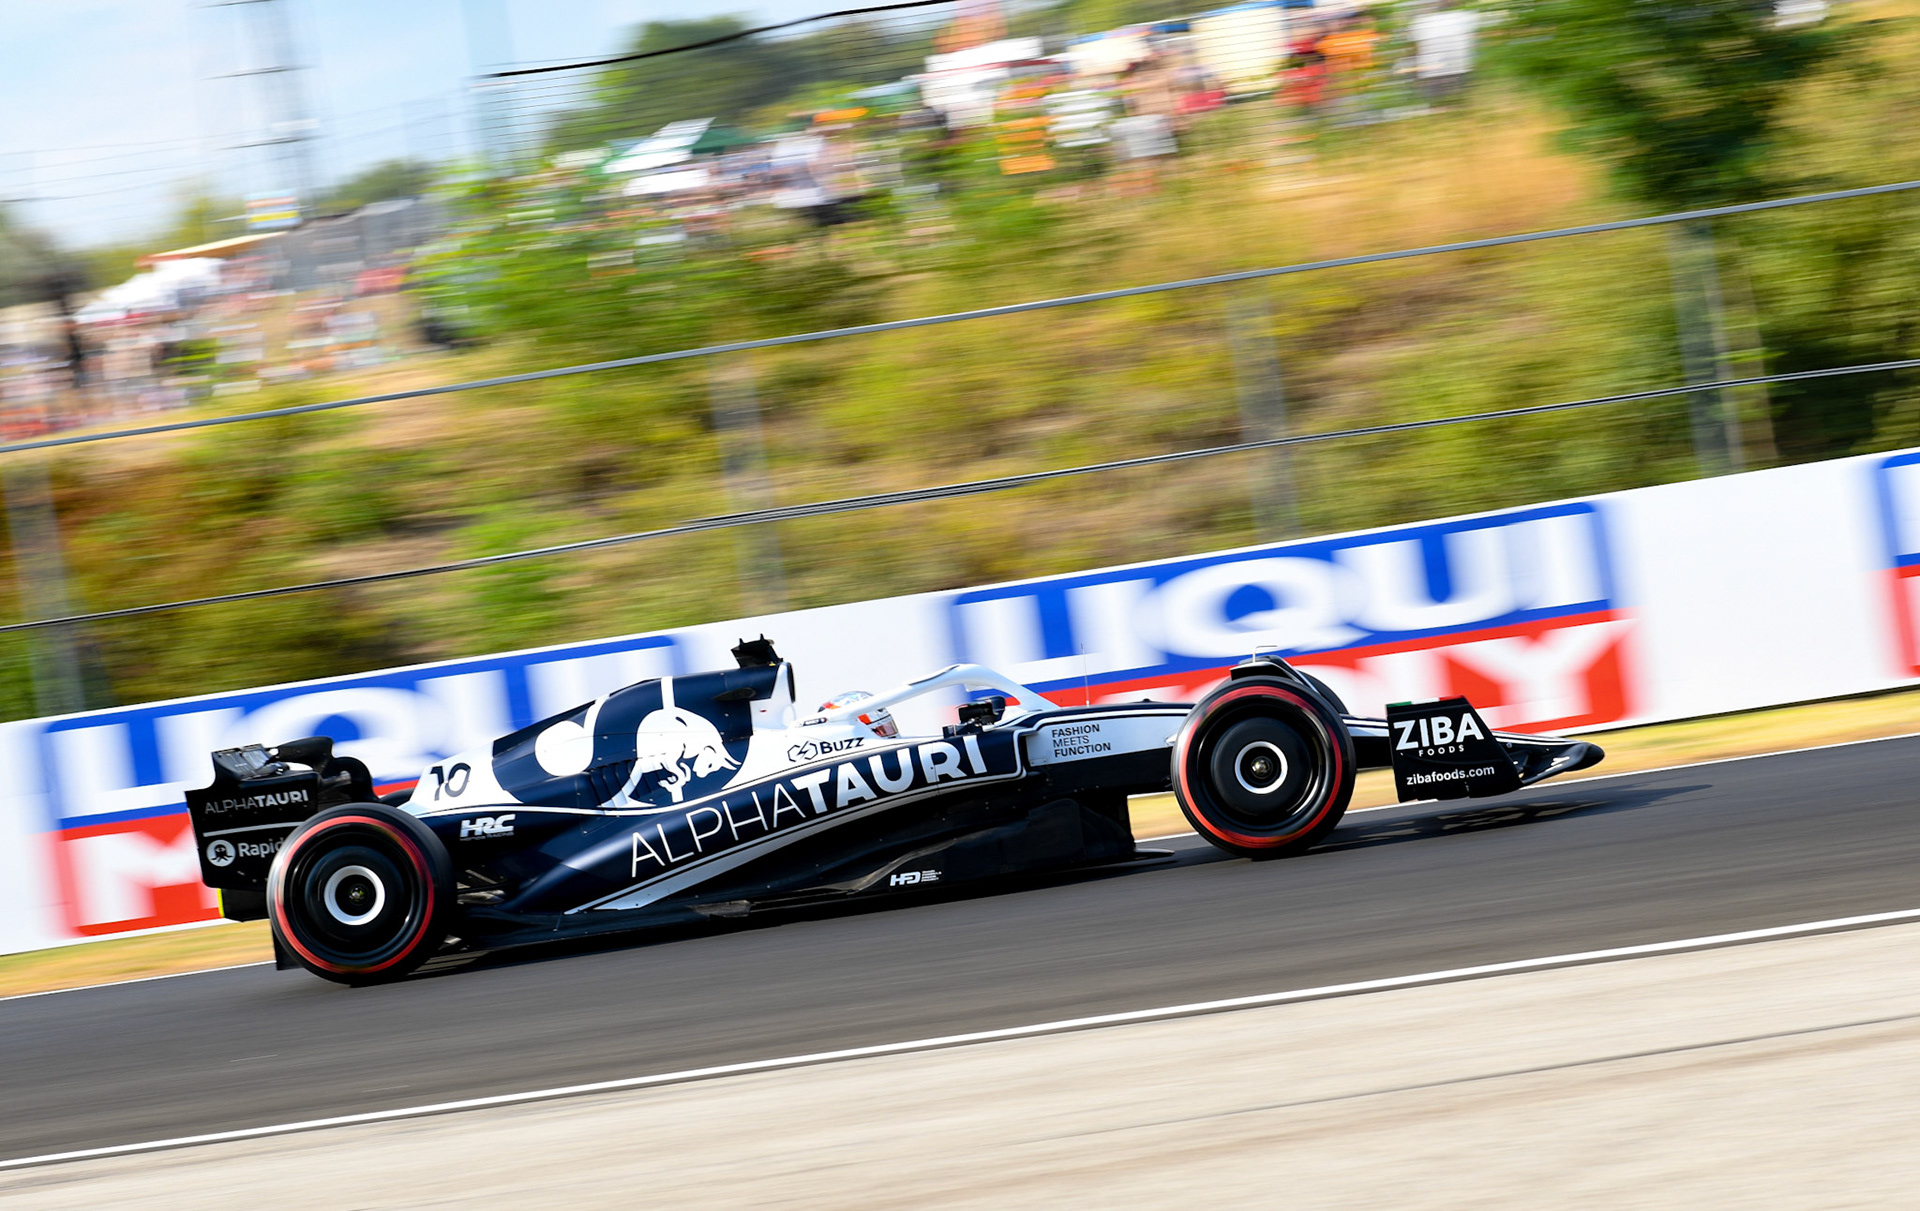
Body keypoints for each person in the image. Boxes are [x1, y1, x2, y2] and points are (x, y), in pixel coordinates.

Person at [1410, 1, 1480, 109]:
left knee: (1437, 105)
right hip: (1459, 66)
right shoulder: (1463, 17)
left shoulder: (1421, 22)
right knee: (1459, 103)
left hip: (1432, 69)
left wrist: (1417, 73)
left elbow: (1417, 49)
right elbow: (1472, 42)